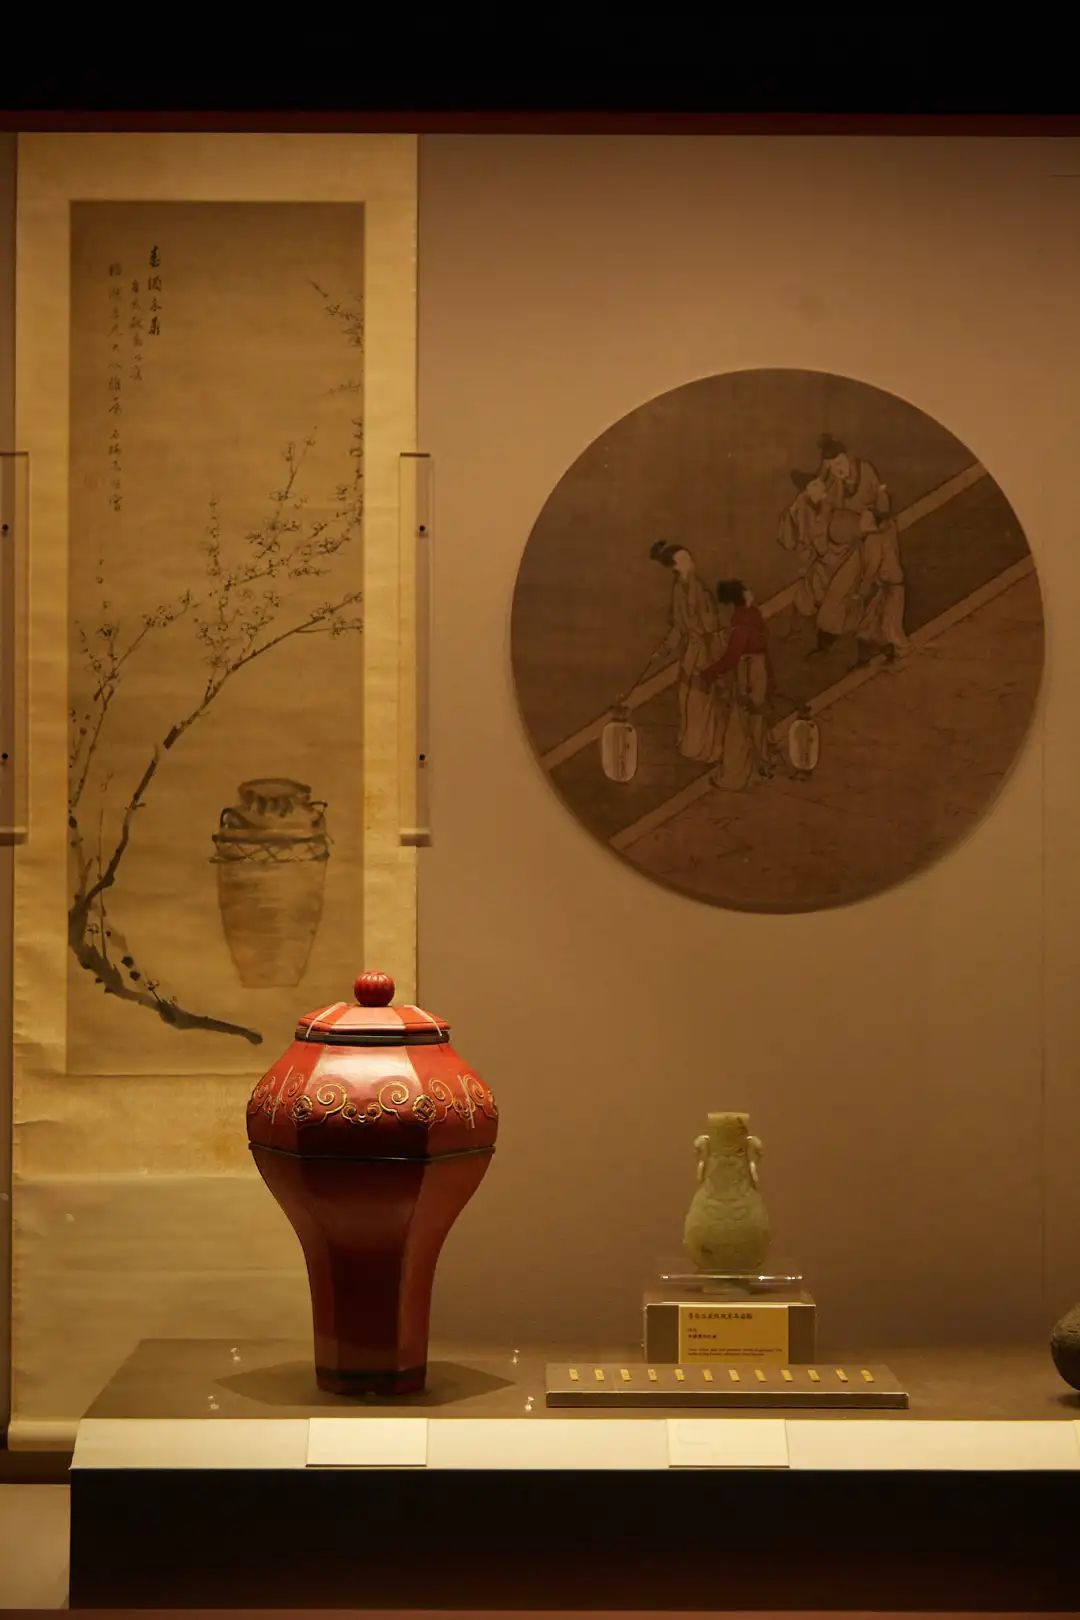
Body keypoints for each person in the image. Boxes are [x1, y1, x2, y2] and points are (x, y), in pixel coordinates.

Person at [629, 541, 725, 762]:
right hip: (691, 653)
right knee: (685, 698)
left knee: (700, 701)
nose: (689, 562)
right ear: (675, 566)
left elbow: (712, 628)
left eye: (688, 558)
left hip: (705, 652)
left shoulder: (700, 590)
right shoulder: (678, 591)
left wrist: (713, 656)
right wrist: (663, 650)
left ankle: (706, 749)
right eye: (683, 560)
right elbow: (678, 628)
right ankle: (690, 745)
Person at [700, 579, 774, 785]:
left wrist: (710, 673)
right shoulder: (755, 618)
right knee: (757, 721)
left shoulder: (741, 625)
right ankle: (762, 765)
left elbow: (731, 659)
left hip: (748, 675)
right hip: (759, 671)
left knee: (738, 726)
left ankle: (733, 777)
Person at [852, 508, 909, 666]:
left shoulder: (873, 540)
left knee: (889, 628)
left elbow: (872, 568)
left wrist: (861, 592)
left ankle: (900, 657)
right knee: (870, 625)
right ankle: (870, 658)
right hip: (889, 587)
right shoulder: (885, 534)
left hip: (891, 588)